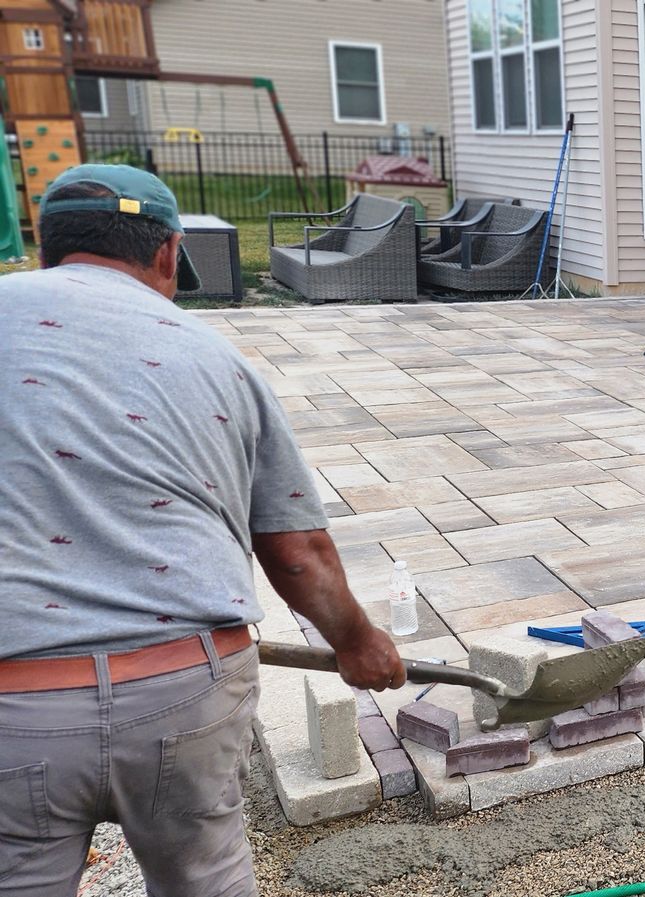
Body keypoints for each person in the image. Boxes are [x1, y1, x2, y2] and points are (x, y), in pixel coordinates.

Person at [0, 165, 407, 897]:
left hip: (16, 704)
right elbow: (297, 552)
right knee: (206, 881)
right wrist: (357, 642)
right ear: (166, 254)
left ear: (43, 247)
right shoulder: (218, 358)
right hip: (184, 693)